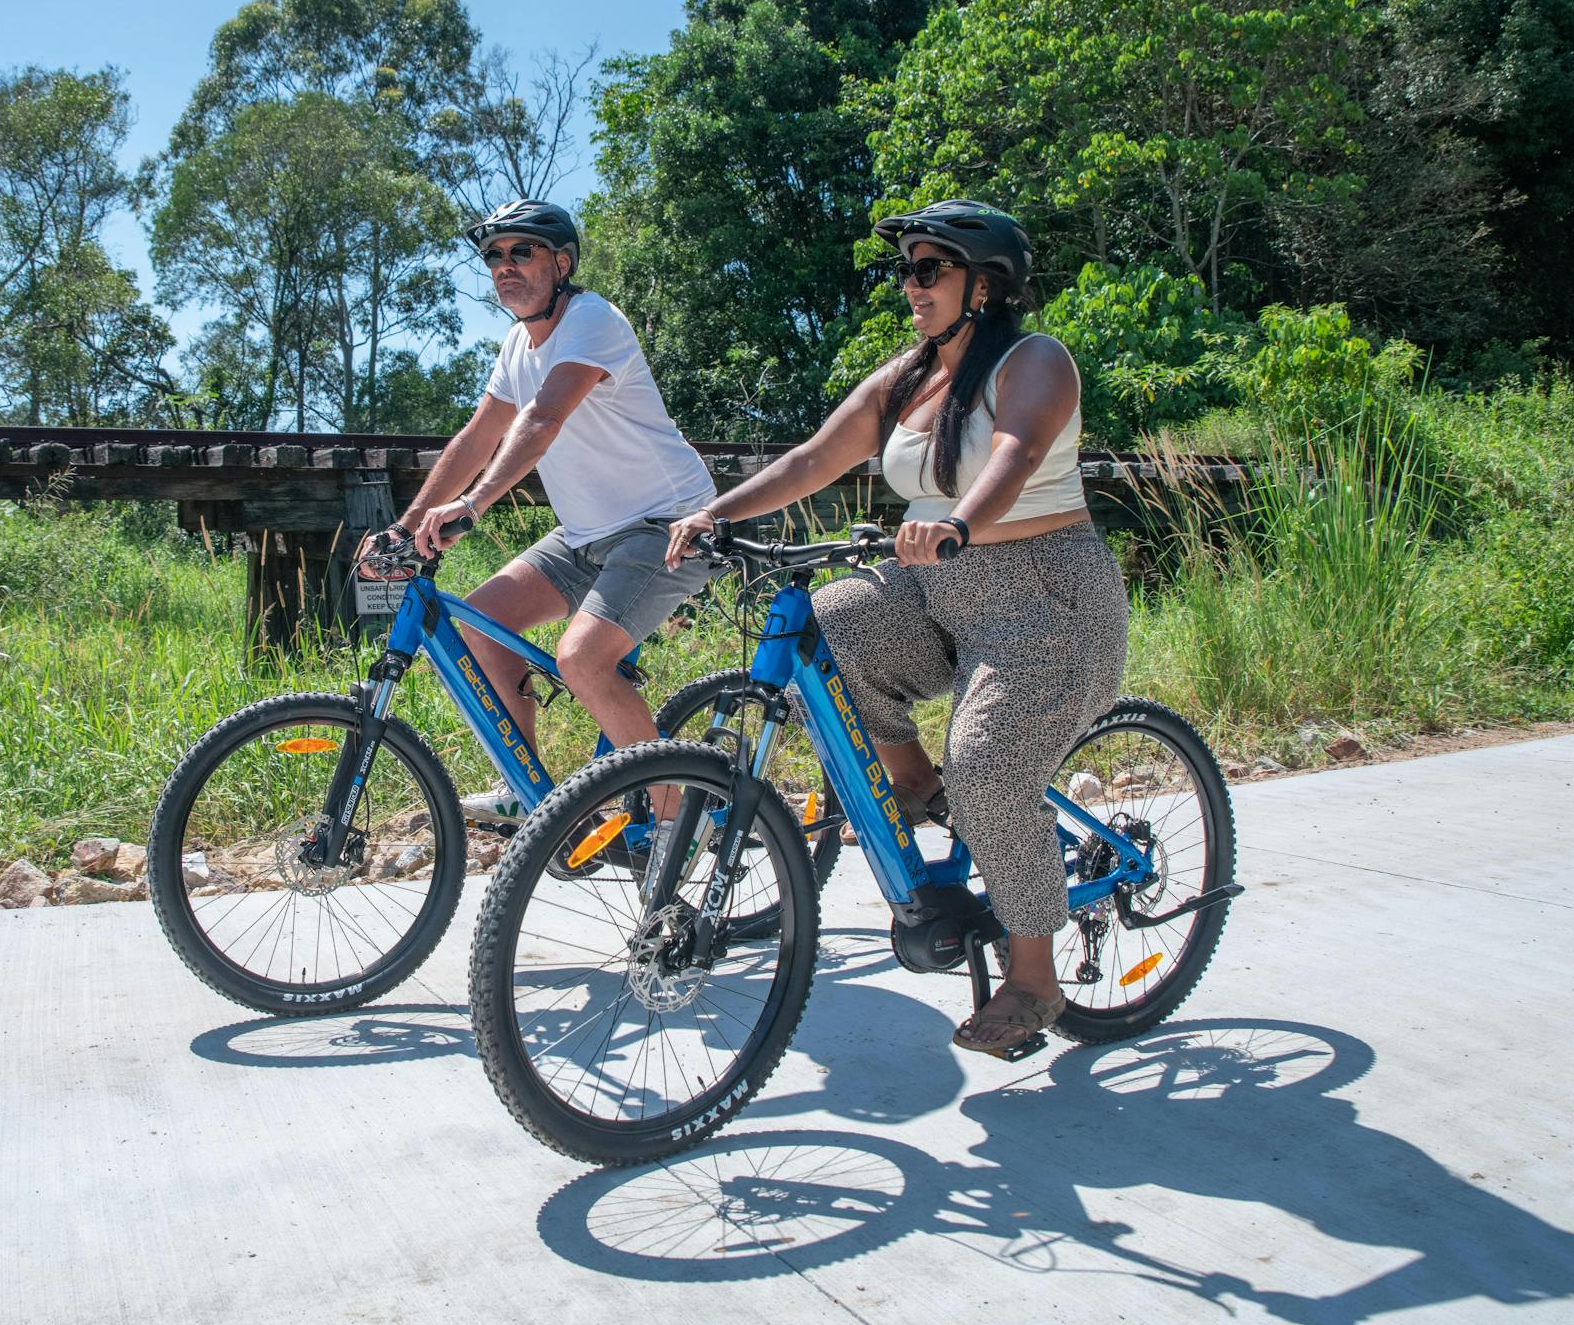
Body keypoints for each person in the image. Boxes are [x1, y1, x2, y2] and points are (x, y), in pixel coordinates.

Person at [664, 199, 1129, 1058]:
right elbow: (812, 460)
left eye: (928, 270)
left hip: (1047, 599)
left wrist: (957, 522)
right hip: (939, 590)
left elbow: (1014, 456)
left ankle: (1035, 978)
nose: (909, 286)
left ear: (984, 284)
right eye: (904, 271)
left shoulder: (1035, 362)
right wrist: (711, 515)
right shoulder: (908, 376)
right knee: (832, 620)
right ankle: (913, 782)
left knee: (988, 765)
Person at [358, 199, 720, 815]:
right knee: (475, 630)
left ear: (562, 263)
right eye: (494, 256)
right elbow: (476, 437)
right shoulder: (517, 346)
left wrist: (472, 505)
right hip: (585, 536)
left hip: (668, 525)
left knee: (580, 658)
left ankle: (676, 827)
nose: (505, 266)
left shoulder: (592, 320)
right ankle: (528, 796)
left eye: (521, 252)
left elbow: (544, 418)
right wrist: (408, 523)